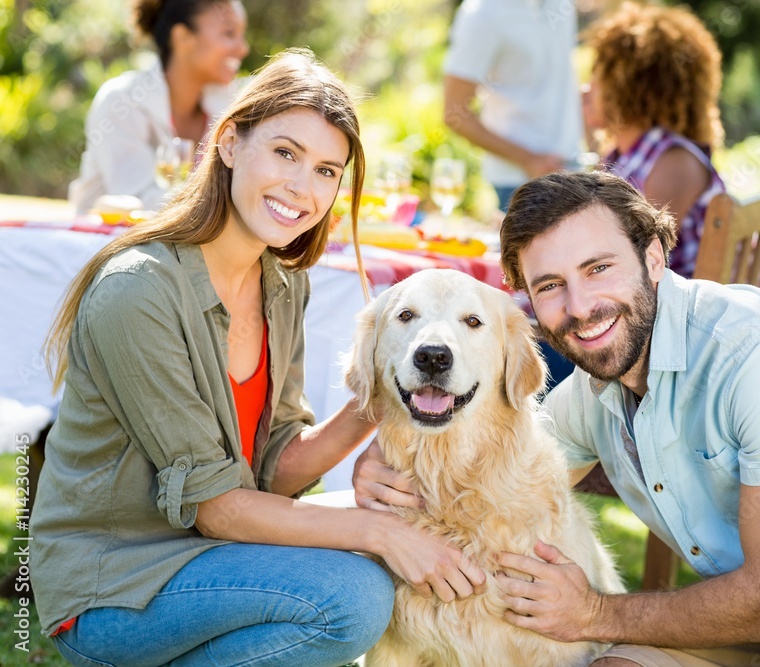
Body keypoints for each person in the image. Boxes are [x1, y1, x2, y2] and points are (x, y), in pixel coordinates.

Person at [356, 171, 760, 666]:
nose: (580, 306)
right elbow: (494, 460)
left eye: (598, 268)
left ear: (656, 256)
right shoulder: (594, 392)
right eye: (550, 285)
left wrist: (594, 612)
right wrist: (379, 467)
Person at [33, 49, 486, 667]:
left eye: (328, 170)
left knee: (406, 539)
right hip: (114, 584)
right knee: (350, 596)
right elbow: (218, 508)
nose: (303, 188)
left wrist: (383, 396)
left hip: (208, 556)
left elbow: (274, 470)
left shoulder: (281, 282)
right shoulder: (138, 290)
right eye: (285, 153)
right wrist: (378, 531)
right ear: (228, 143)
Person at [584, 1, 726, 278]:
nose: (586, 88)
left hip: (682, 314)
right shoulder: (621, 155)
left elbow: (633, 259)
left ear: (631, 87)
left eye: (599, 76)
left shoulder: (673, 162)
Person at [68, 0, 250, 214]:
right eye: (229, 33)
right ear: (183, 37)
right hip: (104, 242)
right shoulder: (122, 102)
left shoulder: (229, 106)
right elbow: (139, 201)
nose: (243, 48)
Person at [442, 0, 583, 212]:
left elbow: (566, 83)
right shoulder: (482, 13)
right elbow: (454, 113)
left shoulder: (562, 4)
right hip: (519, 184)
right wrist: (529, 160)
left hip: (574, 172)